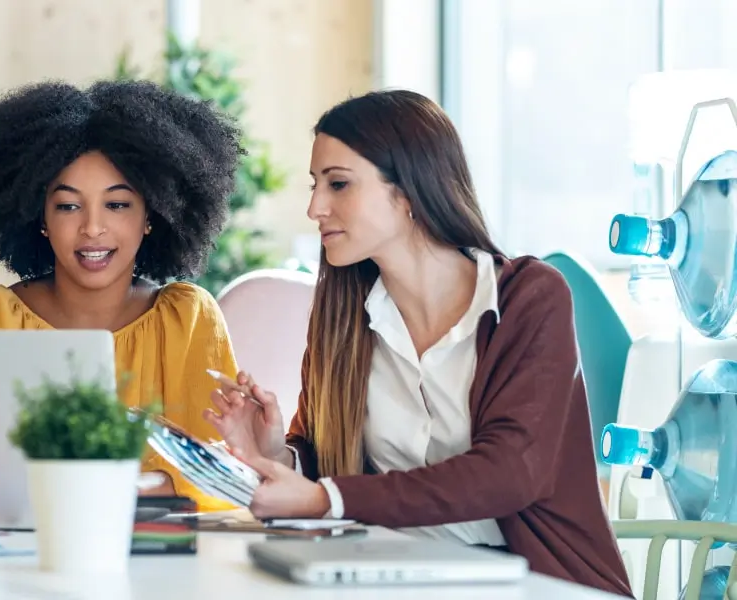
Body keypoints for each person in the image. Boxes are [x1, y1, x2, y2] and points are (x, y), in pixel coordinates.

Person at [206, 90, 632, 596]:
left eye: (338, 184)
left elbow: (512, 472)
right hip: (397, 575)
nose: (315, 207)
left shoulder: (529, 298)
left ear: (408, 191)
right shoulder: (341, 318)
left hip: (538, 583)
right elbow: (332, 468)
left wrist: (325, 499)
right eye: (316, 185)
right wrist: (279, 455)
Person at [0, 79, 243, 511]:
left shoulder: (187, 319)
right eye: (68, 205)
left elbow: (220, 476)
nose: (92, 228)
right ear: (38, 216)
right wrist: (142, 483)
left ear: (151, 216)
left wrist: (108, 490)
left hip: (161, 563)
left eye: (117, 205)